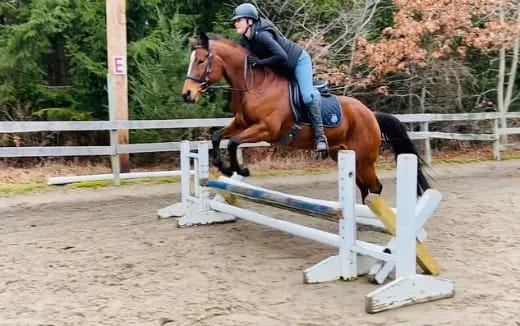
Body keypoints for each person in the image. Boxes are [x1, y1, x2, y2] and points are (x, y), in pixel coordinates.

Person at [231, 3, 328, 154]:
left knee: (307, 96)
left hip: (297, 62)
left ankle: (321, 137)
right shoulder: (245, 40)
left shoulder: (262, 35)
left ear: (250, 21)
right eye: (235, 21)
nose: (235, 23)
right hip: (279, 67)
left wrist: (259, 63)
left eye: (239, 20)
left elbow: (281, 56)